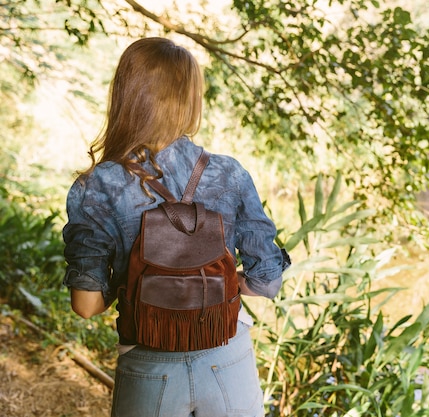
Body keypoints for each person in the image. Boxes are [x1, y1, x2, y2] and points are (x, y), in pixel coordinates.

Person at [62, 37, 289, 417]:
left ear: (127, 95)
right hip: (228, 356)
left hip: (149, 367)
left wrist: (139, 283)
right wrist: (220, 283)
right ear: (189, 99)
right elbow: (267, 280)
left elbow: (86, 306)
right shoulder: (228, 173)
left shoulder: (97, 185)